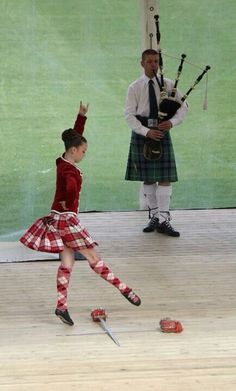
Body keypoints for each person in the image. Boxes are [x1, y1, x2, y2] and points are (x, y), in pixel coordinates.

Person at [20, 101, 141, 326]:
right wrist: (68, 198)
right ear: (74, 150)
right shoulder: (69, 172)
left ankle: (61, 306)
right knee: (93, 258)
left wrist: (81, 117)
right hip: (67, 220)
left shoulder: (63, 160)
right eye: (83, 151)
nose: (84, 154)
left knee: (67, 263)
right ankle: (125, 290)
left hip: (57, 219)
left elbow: (74, 138)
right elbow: (70, 188)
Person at [125, 49, 188, 237]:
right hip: (144, 133)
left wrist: (172, 122)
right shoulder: (135, 87)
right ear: (142, 63)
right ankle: (154, 216)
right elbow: (129, 115)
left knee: (165, 178)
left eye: (156, 61)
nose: (154, 65)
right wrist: (146, 131)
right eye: (150, 61)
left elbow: (184, 106)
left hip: (161, 132)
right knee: (149, 177)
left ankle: (164, 219)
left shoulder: (168, 85)